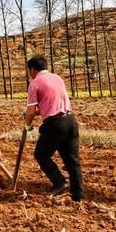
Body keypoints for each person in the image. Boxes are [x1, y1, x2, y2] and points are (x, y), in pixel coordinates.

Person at [24, 56, 83, 202]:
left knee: (41, 155)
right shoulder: (57, 78)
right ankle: (77, 195)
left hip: (55, 125)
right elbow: (51, 103)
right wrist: (39, 112)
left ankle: (60, 182)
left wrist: (28, 125)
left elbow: (30, 111)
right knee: (72, 160)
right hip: (70, 121)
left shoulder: (35, 83)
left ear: (32, 69)